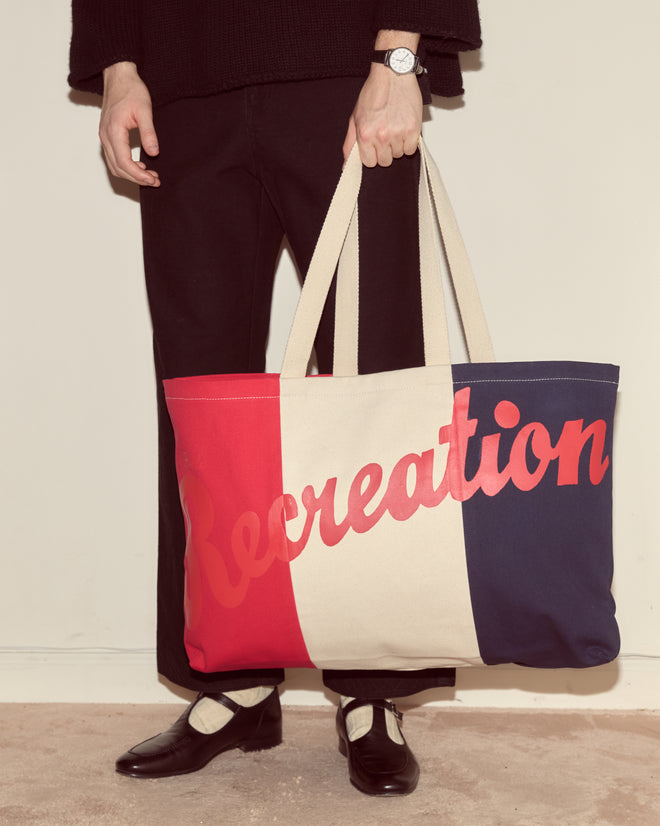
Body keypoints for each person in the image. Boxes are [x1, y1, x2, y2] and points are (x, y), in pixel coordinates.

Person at [69, 0, 481, 797]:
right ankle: (236, 684)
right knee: (200, 397)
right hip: (183, 79)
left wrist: (397, 58)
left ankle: (372, 692)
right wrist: (120, 66)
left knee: (373, 380)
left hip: (340, 66)